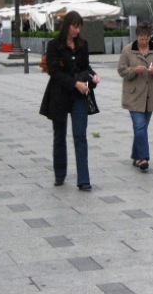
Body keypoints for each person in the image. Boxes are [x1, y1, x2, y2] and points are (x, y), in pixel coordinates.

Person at [40, 11, 100, 190]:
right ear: (67, 26)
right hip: (59, 94)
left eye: (80, 26)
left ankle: (83, 179)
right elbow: (54, 72)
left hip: (79, 95)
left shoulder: (82, 44)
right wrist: (75, 83)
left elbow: (85, 65)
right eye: (75, 26)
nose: (77, 30)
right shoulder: (54, 45)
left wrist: (93, 75)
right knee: (59, 135)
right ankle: (60, 173)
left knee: (80, 135)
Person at [118, 21, 153, 171]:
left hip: (151, 95)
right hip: (134, 95)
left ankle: (135, 154)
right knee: (139, 126)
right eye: (141, 38)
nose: (144, 41)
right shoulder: (128, 50)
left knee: (142, 127)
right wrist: (134, 70)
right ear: (137, 36)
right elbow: (121, 70)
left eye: (146, 38)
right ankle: (143, 158)